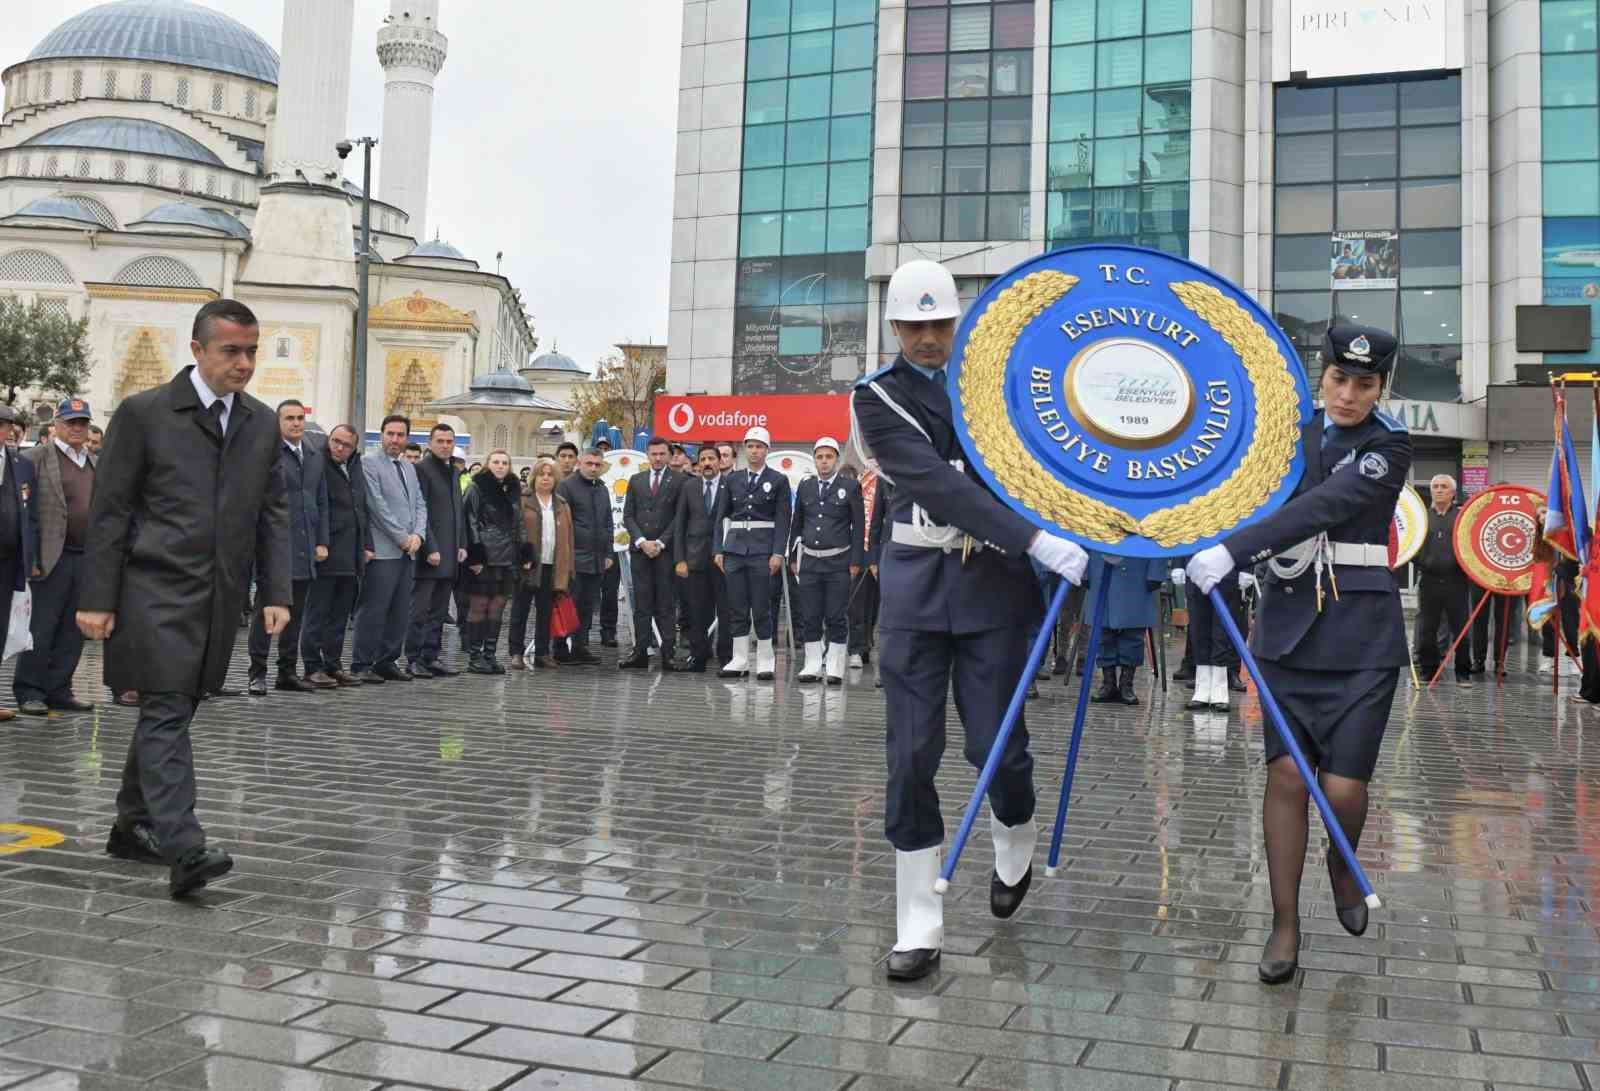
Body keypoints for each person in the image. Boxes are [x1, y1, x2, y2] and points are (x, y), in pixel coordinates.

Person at [852, 259, 1088, 981]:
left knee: (997, 749)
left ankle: (1014, 833)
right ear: (894, 327)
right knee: (911, 756)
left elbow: (1046, 460)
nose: (928, 337)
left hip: (989, 588)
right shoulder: (877, 399)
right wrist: (1034, 537)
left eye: (939, 323)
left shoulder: (995, 391)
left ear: (957, 322)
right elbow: (937, 482)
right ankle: (918, 921)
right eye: (915, 325)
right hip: (918, 590)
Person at [1187, 323, 1412, 984]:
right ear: (1321, 374)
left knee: (1343, 785)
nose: (1348, 394)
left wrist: (1236, 547)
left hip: (1363, 633)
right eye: (1339, 379)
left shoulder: (1389, 443)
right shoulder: (1286, 434)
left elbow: (1327, 504)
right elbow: (1235, 486)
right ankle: (1284, 921)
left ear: (1381, 387)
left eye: (1363, 383)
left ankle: (1341, 860)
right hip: (1287, 626)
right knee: (1286, 775)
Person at [79, 297, 289, 895]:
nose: (244, 363)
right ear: (197, 350)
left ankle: (131, 826)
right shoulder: (145, 413)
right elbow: (110, 511)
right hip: (152, 587)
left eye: (251, 350)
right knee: (167, 707)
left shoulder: (261, 421)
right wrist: (97, 597)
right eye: (231, 351)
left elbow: (274, 512)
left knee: (175, 707)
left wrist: (275, 589)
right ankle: (185, 846)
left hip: (220, 595)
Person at [16, 397, 95, 715]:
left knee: (73, 629)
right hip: (49, 557)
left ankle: (59, 688)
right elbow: (24, 511)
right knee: (41, 626)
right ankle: (30, 690)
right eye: (71, 422)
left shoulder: (93, 461)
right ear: (56, 425)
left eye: (82, 423)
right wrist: (28, 555)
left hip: (85, 555)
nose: (77, 428)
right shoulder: (35, 458)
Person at [247, 399, 330, 695]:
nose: (296, 423)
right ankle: (257, 672)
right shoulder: (268, 454)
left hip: (306, 546)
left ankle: (287, 671)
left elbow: (321, 500)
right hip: (275, 545)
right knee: (265, 613)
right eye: (289, 418)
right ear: (277, 423)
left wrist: (322, 540)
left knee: (296, 614)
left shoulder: (313, 454)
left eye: (299, 418)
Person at [352, 415, 428, 683]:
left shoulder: (408, 467)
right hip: (384, 549)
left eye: (400, 435)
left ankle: (387, 660)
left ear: (407, 438)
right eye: (390, 434)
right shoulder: (368, 463)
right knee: (374, 608)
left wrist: (418, 535)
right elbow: (376, 505)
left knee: (399, 609)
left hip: (409, 550)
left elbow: (419, 503)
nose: (395, 440)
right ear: (382, 434)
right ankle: (362, 663)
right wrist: (402, 537)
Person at [713, 427, 789, 679]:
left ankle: (766, 659)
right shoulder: (732, 480)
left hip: (762, 549)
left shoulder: (778, 480)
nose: (754, 451)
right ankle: (740, 658)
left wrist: (778, 552)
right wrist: (718, 549)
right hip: (734, 548)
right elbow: (720, 516)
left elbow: (783, 520)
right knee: (737, 606)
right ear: (745, 449)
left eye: (759, 446)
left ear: (767, 450)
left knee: (762, 606)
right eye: (751, 446)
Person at [302, 424, 373, 688]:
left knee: (340, 617)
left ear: (354, 448)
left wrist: (366, 544)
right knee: (317, 614)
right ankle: (312, 666)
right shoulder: (318, 464)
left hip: (350, 555)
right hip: (327, 552)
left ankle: (333, 665)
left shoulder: (354, 468)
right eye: (335, 441)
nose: (339, 447)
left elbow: (361, 509)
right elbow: (314, 507)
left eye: (346, 444)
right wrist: (319, 543)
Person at [789, 436, 863, 685]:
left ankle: (834, 665)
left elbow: (858, 527)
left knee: (835, 615)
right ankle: (811, 664)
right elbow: (797, 522)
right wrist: (792, 555)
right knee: (810, 614)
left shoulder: (850, 487)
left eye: (828, 456)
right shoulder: (806, 486)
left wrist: (856, 561)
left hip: (838, 561)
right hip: (810, 561)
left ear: (837, 459)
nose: (824, 462)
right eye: (819, 457)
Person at [407, 424, 467, 677]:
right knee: (421, 610)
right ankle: (414, 658)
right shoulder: (422, 469)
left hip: (451, 552)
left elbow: (457, 511)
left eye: (449, 441)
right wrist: (430, 547)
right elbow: (421, 512)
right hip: (429, 554)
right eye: (440, 441)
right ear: (430, 443)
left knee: (440, 612)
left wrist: (462, 543)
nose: (445, 445)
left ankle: (431, 657)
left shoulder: (453, 471)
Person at [620, 437, 682, 670]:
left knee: (666, 604)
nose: (657, 458)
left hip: (665, 553)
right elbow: (628, 515)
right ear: (647, 454)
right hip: (640, 551)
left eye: (661, 454)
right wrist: (642, 541)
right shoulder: (636, 480)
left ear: (669, 455)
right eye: (653, 454)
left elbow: (679, 517)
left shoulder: (679, 481)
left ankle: (668, 654)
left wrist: (661, 543)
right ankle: (640, 652)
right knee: (642, 604)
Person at [461, 450, 524, 674]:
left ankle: (490, 654)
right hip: (484, 556)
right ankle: (474, 656)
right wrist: (475, 555)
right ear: (488, 464)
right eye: (496, 462)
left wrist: (523, 552)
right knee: (479, 606)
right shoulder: (477, 487)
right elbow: (469, 521)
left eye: (505, 463)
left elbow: (519, 523)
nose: (500, 466)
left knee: (498, 607)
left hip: (507, 557)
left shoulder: (514, 489)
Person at [510, 460, 574, 669]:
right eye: (541, 474)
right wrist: (521, 559)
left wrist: (568, 567)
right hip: (528, 566)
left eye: (550, 474)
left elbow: (569, 539)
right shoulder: (522, 500)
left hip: (552, 566)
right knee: (520, 610)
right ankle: (516, 652)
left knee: (546, 611)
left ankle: (542, 652)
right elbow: (514, 533)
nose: (546, 478)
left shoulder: (562, 504)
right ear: (534, 478)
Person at [1084, 553, 1168, 705]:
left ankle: (1126, 684)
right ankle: (1108, 683)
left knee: (1133, 634)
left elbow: (1159, 533)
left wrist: (1156, 572)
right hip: (1101, 568)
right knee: (1103, 633)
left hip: (1137, 571)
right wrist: (1083, 570)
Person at [556, 446, 614, 664]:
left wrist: (608, 552)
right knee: (567, 603)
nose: (593, 468)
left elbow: (608, 523)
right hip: (573, 558)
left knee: (588, 606)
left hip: (597, 558)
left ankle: (580, 646)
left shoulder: (602, 488)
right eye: (589, 464)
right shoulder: (567, 486)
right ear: (580, 463)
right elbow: (561, 522)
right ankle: (560, 647)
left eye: (597, 465)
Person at [1413, 474, 1472, 686]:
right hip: (1429, 582)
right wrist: (1422, 562)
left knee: (1461, 630)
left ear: (1452, 492)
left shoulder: (1462, 517)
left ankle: (1463, 673)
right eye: (1435, 486)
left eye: (1443, 487)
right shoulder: (1422, 518)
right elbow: (1412, 545)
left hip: (1456, 582)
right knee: (1427, 631)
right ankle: (1429, 673)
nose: (1439, 490)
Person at [0, 413, 39, 722]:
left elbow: (31, 516)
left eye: (3, 425)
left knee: (1, 630)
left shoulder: (21, 464)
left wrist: (31, 558)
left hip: (9, 562)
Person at [1172, 565, 1252, 712]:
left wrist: (1246, 567)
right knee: (1198, 630)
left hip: (1226, 570)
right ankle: (1202, 688)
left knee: (1221, 632)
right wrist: (1179, 563)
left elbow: (1242, 541)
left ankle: (1219, 690)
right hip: (1196, 569)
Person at [674, 445, 725, 672]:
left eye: (711, 459)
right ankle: (698, 656)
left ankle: (726, 657)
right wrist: (680, 559)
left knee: (725, 610)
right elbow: (680, 525)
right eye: (703, 459)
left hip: (722, 559)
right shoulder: (689, 487)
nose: (707, 463)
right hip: (694, 559)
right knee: (697, 611)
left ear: (719, 462)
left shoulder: (730, 485)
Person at [849, 467, 888, 669]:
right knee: (860, 603)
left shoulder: (889, 475)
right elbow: (869, 518)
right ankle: (859, 647)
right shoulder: (863, 480)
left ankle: (877, 648)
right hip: (864, 548)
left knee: (880, 604)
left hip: (889, 547)